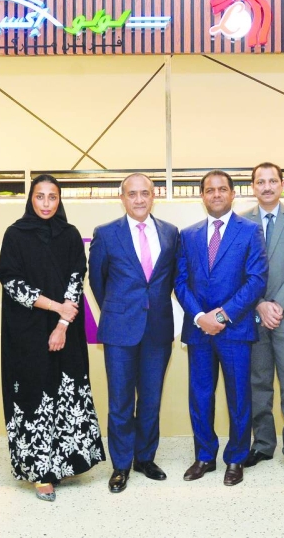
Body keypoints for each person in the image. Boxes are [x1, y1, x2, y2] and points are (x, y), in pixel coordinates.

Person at [0, 175, 105, 501]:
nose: (46, 203)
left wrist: (61, 323)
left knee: (66, 391)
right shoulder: (16, 234)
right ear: (31, 199)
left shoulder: (69, 235)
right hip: (26, 331)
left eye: (52, 197)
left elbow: (76, 277)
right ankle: (41, 473)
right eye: (40, 196)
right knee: (34, 393)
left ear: (60, 200)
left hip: (66, 329)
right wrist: (54, 306)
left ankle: (65, 464)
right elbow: (11, 281)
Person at [175, 170, 267, 487]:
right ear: (202, 195)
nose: (216, 194)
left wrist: (223, 316)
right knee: (200, 396)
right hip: (199, 329)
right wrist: (201, 316)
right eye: (210, 190)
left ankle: (236, 458)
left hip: (236, 330)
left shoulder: (250, 232)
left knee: (239, 397)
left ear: (232, 194)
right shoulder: (187, 235)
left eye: (222, 189)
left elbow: (257, 281)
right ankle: (204, 456)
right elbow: (180, 281)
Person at [89, 173, 178, 493]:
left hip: (158, 329)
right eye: (132, 194)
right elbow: (97, 281)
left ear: (153, 196)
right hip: (119, 330)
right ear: (122, 198)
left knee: (151, 399)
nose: (139, 199)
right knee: (121, 401)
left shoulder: (170, 233)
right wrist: (116, 310)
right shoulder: (106, 233)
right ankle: (121, 464)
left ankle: (145, 458)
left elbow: (171, 279)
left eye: (144, 193)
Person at [240, 162, 284, 476]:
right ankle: (263, 445)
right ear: (253, 187)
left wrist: (276, 305)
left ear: (282, 184)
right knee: (258, 383)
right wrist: (258, 304)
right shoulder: (241, 222)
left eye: (272, 181)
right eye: (260, 181)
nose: (266, 186)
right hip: (253, 317)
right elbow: (236, 272)